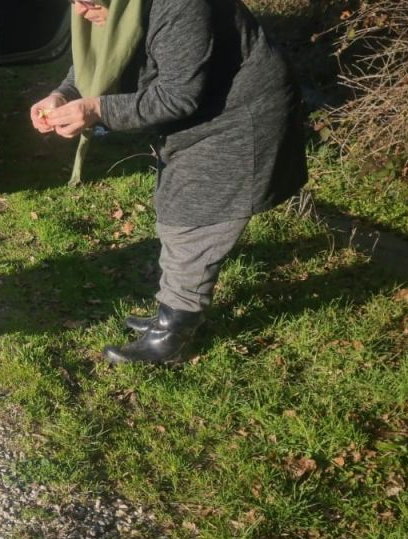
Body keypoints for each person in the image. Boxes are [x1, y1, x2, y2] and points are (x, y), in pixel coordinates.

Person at [31, 0, 308, 365]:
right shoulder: (121, 9)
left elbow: (178, 95)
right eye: (75, 2)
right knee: (177, 211)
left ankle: (173, 335)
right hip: (200, 117)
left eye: (92, 2)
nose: (83, 13)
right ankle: (172, 311)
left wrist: (97, 110)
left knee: (194, 220)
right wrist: (64, 94)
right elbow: (105, 58)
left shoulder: (182, 5)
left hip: (239, 114)